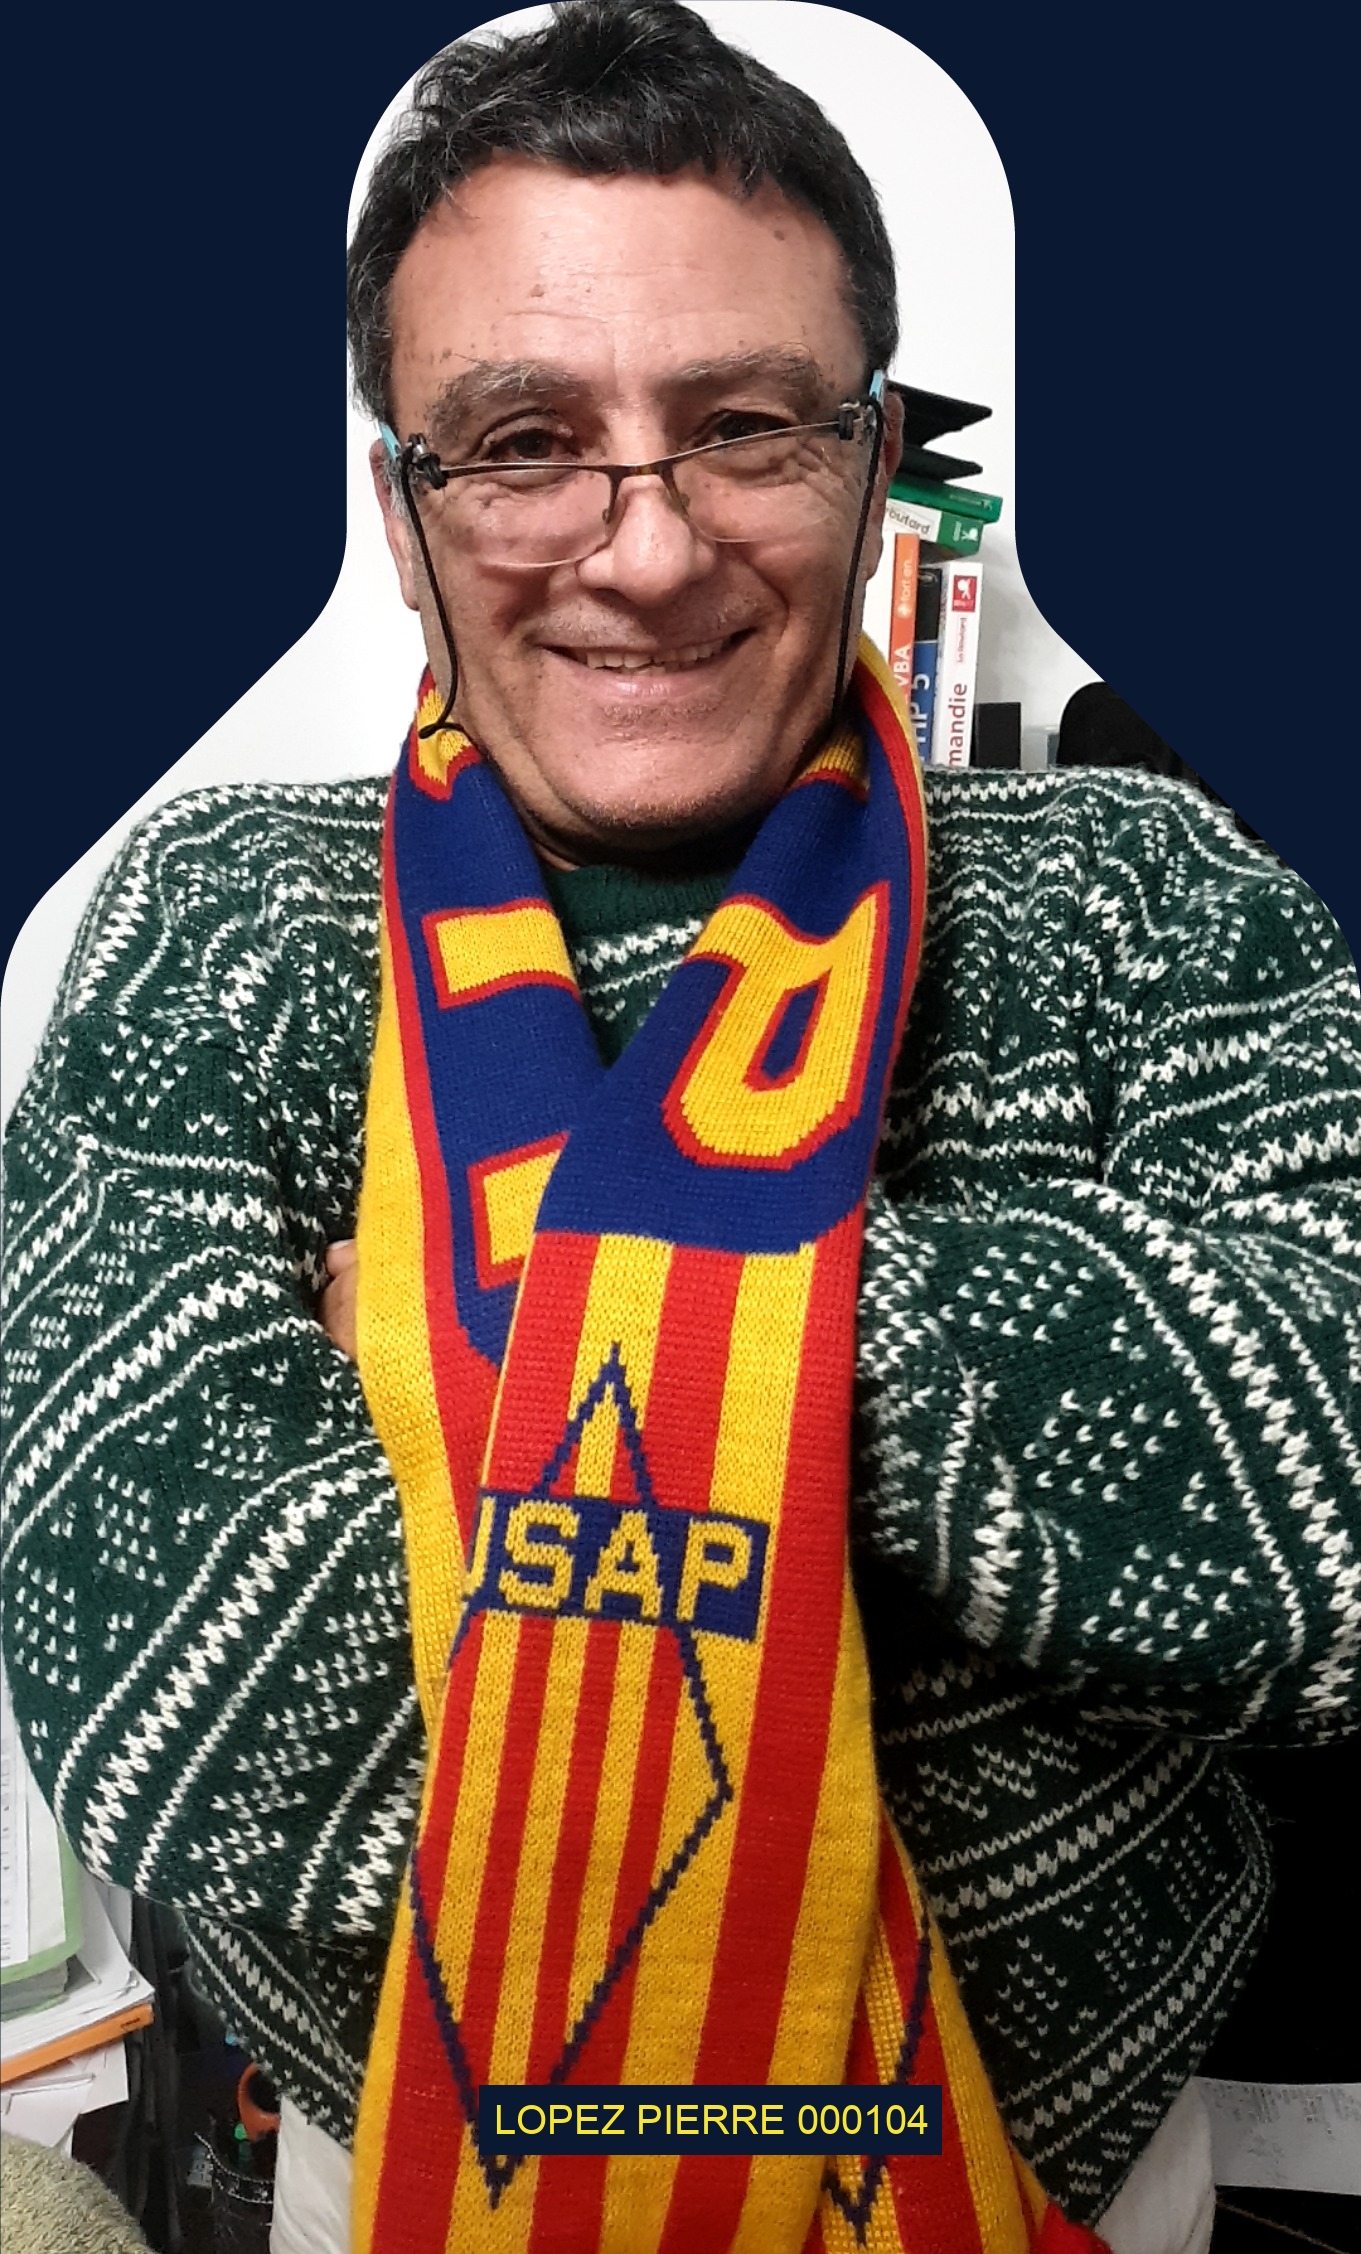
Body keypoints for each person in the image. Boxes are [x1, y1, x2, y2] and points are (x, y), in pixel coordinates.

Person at [2, 5, 1358, 2252]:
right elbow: (183, 1693)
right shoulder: (224, 917)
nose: (644, 552)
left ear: (868, 463)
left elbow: (1331, 1547)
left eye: (743, 426)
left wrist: (501, 1330)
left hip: (1078, 2173)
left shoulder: (1152, 892)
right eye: (522, 441)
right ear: (404, 517)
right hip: (413, 2158)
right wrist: (967, 1549)